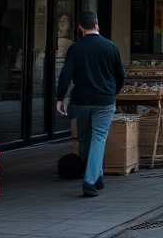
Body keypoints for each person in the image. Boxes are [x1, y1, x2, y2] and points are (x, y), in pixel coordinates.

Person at [55, 10, 125, 197]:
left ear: (80, 27)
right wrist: (113, 91)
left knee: (84, 138)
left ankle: (96, 176)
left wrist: (60, 98)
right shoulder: (111, 47)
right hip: (104, 100)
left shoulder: (75, 49)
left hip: (82, 100)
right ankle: (90, 180)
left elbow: (66, 75)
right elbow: (120, 75)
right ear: (96, 24)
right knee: (99, 138)